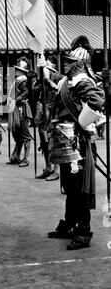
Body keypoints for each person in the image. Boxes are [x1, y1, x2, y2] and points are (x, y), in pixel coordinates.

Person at [47, 35, 104, 250]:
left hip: (77, 143)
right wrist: (46, 68)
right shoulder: (69, 81)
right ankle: (70, 224)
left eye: (71, 61)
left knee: (79, 189)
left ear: (79, 63)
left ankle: (83, 230)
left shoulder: (82, 81)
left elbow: (97, 100)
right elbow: (59, 80)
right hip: (66, 141)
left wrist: (83, 122)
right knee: (70, 187)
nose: (67, 64)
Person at [34, 55, 64, 181]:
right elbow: (35, 91)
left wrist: (46, 79)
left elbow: (58, 90)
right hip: (43, 112)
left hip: (54, 112)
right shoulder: (41, 76)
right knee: (44, 141)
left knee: (54, 141)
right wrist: (35, 79)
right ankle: (48, 167)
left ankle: (56, 171)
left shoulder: (58, 77)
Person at [7, 56, 33, 167]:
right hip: (14, 108)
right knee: (16, 134)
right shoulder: (17, 80)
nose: (16, 70)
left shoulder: (23, 80)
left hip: (21, 109)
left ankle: (25, 158)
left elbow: (26, 93)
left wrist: (16, 100)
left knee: (25, 134)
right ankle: (16, 156)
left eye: (18, 68)